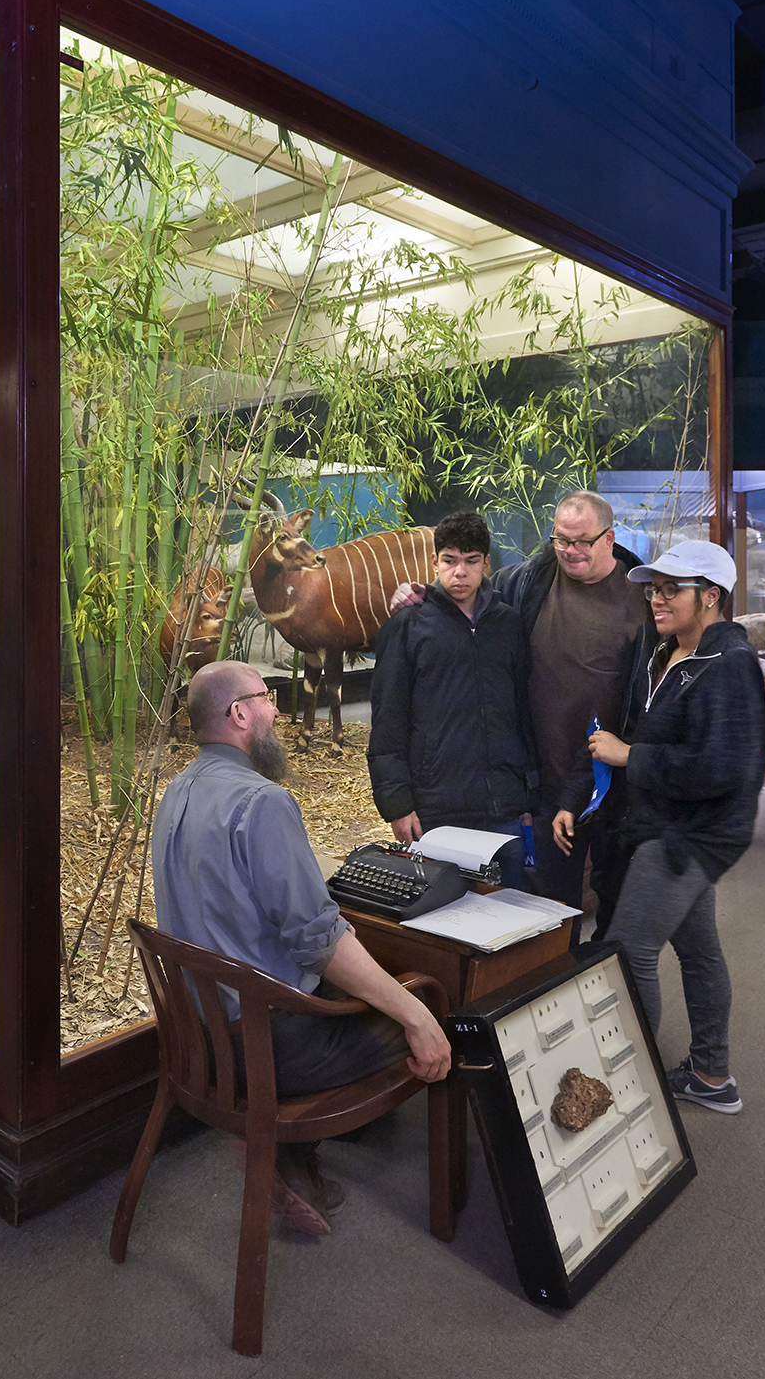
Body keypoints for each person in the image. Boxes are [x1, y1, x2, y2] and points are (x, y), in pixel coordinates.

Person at [152, 659, 452, 1235]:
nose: (277, 711)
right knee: (432, 1006)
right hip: (266, 1048)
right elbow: (317, 941)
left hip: (197, 1036)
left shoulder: (177, 791)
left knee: (359, 981)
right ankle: (291, 1140)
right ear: (239, 714)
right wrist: (414, 1013)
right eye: (267, 698)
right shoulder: (261, 803)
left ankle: (291, 1153)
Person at [550, 541, 765, 1116]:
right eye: (654, 587)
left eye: (673, 588)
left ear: (712, 597)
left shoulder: (731, 669)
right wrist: (584, 789)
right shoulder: (663, 654)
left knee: (631, 948)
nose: (657, 599)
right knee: (698, 950)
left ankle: (632, 1080)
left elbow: (724, 768)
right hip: (661, 825)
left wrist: (631, 757)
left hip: (689, 837)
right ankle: (711, 1073)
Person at [385, 493, 654, 927]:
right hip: (546, 780)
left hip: (613, 781)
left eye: (582, 540)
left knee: (620, 904)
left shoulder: (645, 596)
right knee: (550, 904)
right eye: (561, 539)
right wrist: (417, 594)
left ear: (609, 537)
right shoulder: (530, 580)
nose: (570, 550)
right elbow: (469, 593)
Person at [367, 510, 536, 890]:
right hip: (436, 807)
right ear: (434, 562)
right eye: (450, 560)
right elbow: (388, 721)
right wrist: (397, 803)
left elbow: (522, 715)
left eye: (471, 561)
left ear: (486, 563)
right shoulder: (407, 626)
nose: (460, 572)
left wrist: (528, 795)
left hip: (504, 805)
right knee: (444, 918)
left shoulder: (508, 624)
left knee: (510, 912)